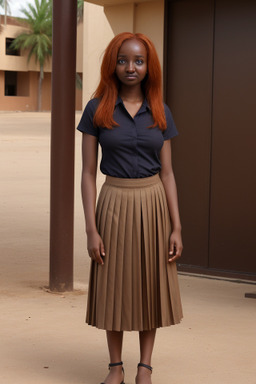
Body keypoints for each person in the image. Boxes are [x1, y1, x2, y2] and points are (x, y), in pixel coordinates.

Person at [77, 32, 183, 384]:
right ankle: (116, 367)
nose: (130, 67)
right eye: (123, 60)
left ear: (148, 66)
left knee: (150, 285)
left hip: (153, 204)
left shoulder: (160, 111)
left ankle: (144, 367)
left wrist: (176, 226)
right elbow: (89, 173)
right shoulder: (97, 109)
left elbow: (167, 173)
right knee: (114, 285)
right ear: (113, 64)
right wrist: (92, 228)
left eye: (138, 61)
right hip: (114, 204)